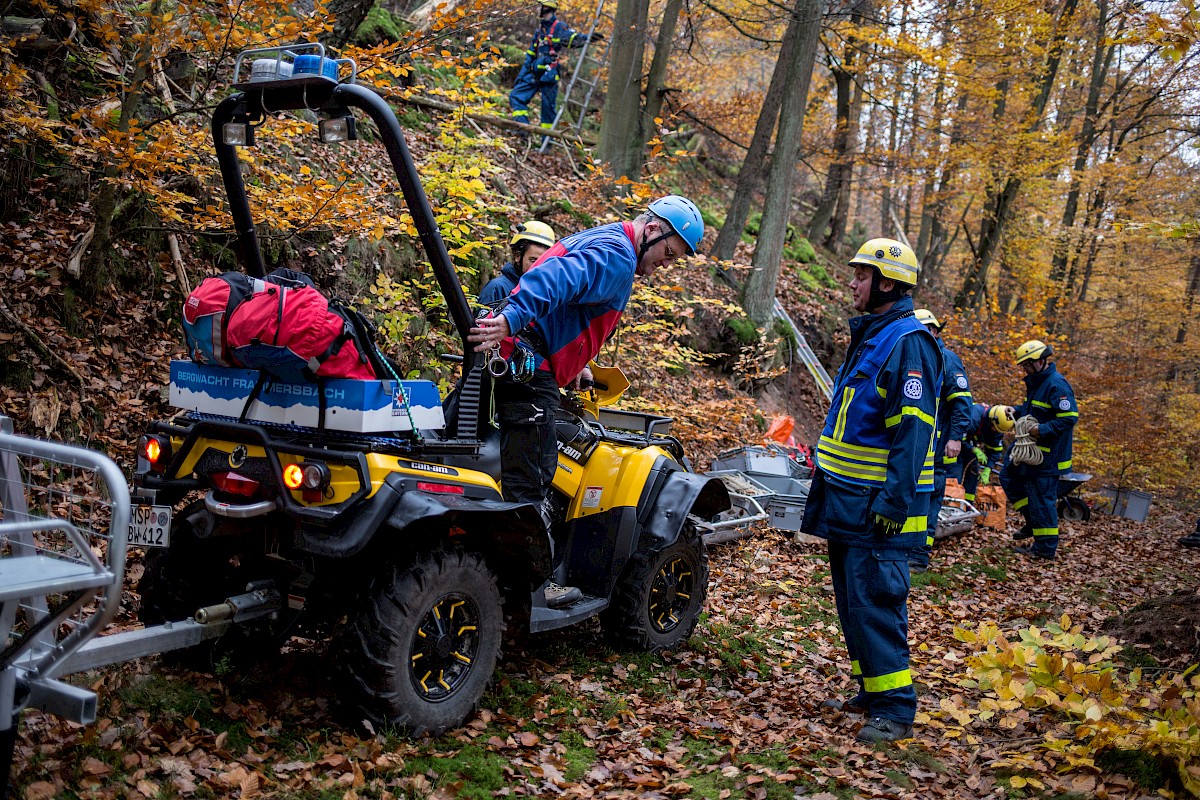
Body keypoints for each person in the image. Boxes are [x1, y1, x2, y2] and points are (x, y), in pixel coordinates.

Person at [468, 195, 703, 607]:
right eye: (669, 252)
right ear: (652, 229)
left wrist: (575, 361)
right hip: (530, 368)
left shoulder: (608, 242)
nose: (666, 263)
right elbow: (556, 278)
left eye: (675, 258)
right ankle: (521, 590)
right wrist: (511, 318)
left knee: (470, 445)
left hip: (531, 357)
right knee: (532, 481)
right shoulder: (616, 256)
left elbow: (568, 306)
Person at [799, 238, 942, 743]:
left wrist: (895, 501)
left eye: (861, 275)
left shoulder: (908, 342)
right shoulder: (875, 334)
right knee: (854, 602)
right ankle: (874, 689)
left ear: (886, 282)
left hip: (877, 507)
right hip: (848, 500)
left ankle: (897, 709)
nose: (853, 283)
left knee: (877, 601)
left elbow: (915, 430)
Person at [1000, 340, 1078, 560]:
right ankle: (1033, 522)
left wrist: (1040, 430)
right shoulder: (1036, 383)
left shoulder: (1057, 384)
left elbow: (1069, 418)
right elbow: (1032, 410)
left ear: (1041, 361)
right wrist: (1015, 411)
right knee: (1008, 477)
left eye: (1027, 364)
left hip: (1048, 456)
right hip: (1033, 453)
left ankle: (1045, 548)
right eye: (1023, 365)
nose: (1024, 369)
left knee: (1042, 501)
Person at [907, 309, 972, 573]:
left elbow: (962, 404)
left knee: (930, 495)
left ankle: (919, 555)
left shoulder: (947, 360)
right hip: (915, 444)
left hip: (938, 445)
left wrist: (955, 438)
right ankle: (905, 548)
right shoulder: (916, 358)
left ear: (934, 332)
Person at [509, 1, 601, 133]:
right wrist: (521, 76)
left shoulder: (559, 27)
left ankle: (546, 143)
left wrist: (589, 38)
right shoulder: (540, 30)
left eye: (540, 6)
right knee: (516, 96)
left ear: (547, 8)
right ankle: (522, 128)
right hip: (535, 71)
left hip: (549, 73)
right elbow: (530, 55)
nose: (537, 9)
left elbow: (573, 39)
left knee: (547, 110)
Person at [479, 220, 557, 306]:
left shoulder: (546, 294)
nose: (538, 266)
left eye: (543, 262)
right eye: (533, 260)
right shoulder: (497, 288)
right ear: (517, 256)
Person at [955, 404, 1013, 504]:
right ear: (991, 420)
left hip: (969, 443)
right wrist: (974, 449)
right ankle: (953, 504)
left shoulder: (996, 428)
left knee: (973, 471)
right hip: (954, 444)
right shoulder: (973, 416)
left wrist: (987, 469)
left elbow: (995, 451)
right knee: (955, 474)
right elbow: (957, 437)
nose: (995, 432)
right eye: (994, 429)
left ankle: (968, 506)